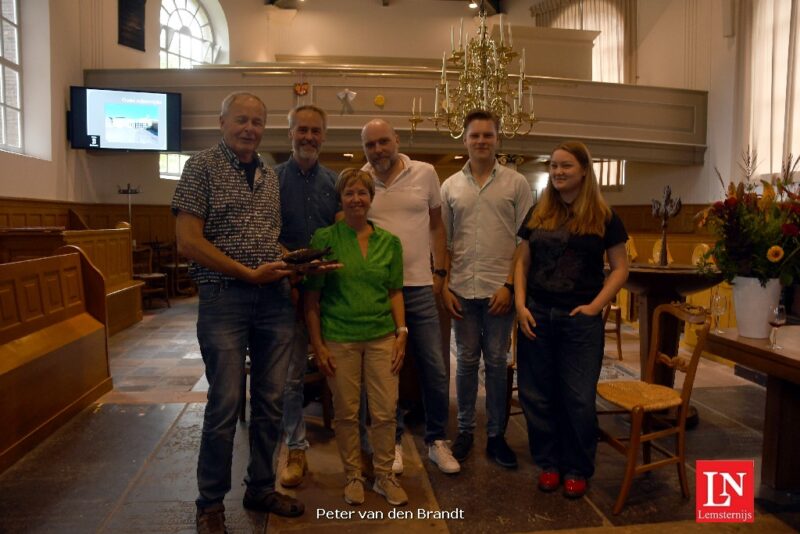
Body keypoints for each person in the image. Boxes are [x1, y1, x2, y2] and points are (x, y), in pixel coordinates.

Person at [171, 92, 305, 534]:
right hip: (224, 298)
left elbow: (265, 240)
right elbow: (188, 242)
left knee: (270, 401)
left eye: (257, 122)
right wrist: (248, 273)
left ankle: (260, 487)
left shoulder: (268, 173)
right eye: (241, 120)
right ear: (222, 121)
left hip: (272, 299)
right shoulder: (201, 167)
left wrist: (296, 261)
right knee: (226, 403)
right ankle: (210, 504)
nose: (250, 128)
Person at [514, 140, 629, 499]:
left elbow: (621, 268)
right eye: (553, 166)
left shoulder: (604, 216)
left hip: (580, 319)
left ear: (583, 170)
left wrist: (595, 307)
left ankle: (577, 467)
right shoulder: (538, 212)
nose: (558, 172)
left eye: (566, 166)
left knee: (578, 398)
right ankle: (549, 463)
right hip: (537, 315)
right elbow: (521, 262)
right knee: (537, 395)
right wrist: (520, 305)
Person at [360, 119, 460, 475]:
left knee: (434, 366)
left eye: (384, 141)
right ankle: (393, 441)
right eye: (370, 145)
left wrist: (439, 273)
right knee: (387, 370)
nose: (378, 150)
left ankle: (436, 441)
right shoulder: (361, 178)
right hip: (379, 290)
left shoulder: (426, 172)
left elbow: (437, 225)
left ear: (397, 140)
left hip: (418, 286)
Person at [304, 169, 409, 507]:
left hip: (381, 337)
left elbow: (395, 292)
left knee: (384, 411)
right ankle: (353, 475)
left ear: (371, 198)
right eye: (349, 193)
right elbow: (312, 300)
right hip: (340, 338)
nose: (356, 199)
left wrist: (401, 332)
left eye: (362, 193)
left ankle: (383, 476)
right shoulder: (325, 239)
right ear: (341, 198)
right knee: (347, 413)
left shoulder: (390, 242)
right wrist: (318, 344)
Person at [440, 110, 533, 468]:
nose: (481, 141)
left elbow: (523, 242)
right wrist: (445, 285)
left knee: (496, 362)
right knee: (465, 362)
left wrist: (510, 286)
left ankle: (496, 436)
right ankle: (465, 431)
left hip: (500, 291)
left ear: (498, 139)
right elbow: (444, 242)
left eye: (488, 135)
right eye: (475, 135)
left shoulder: (516, 183)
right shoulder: (450, 186)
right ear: (464, 140)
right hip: (462, 287)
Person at [274, 104, 340, 488]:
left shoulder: (334, 182)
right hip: (285, 290)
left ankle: (360, 445)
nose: (309, 137)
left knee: (345, 369)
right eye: (302, 130)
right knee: (291, 376)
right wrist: (294, 274)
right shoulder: (271, 179)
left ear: (324, 136)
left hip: (330, 292)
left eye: (316, 131)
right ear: (290, 133)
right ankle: (296, 447)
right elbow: (266, 230)